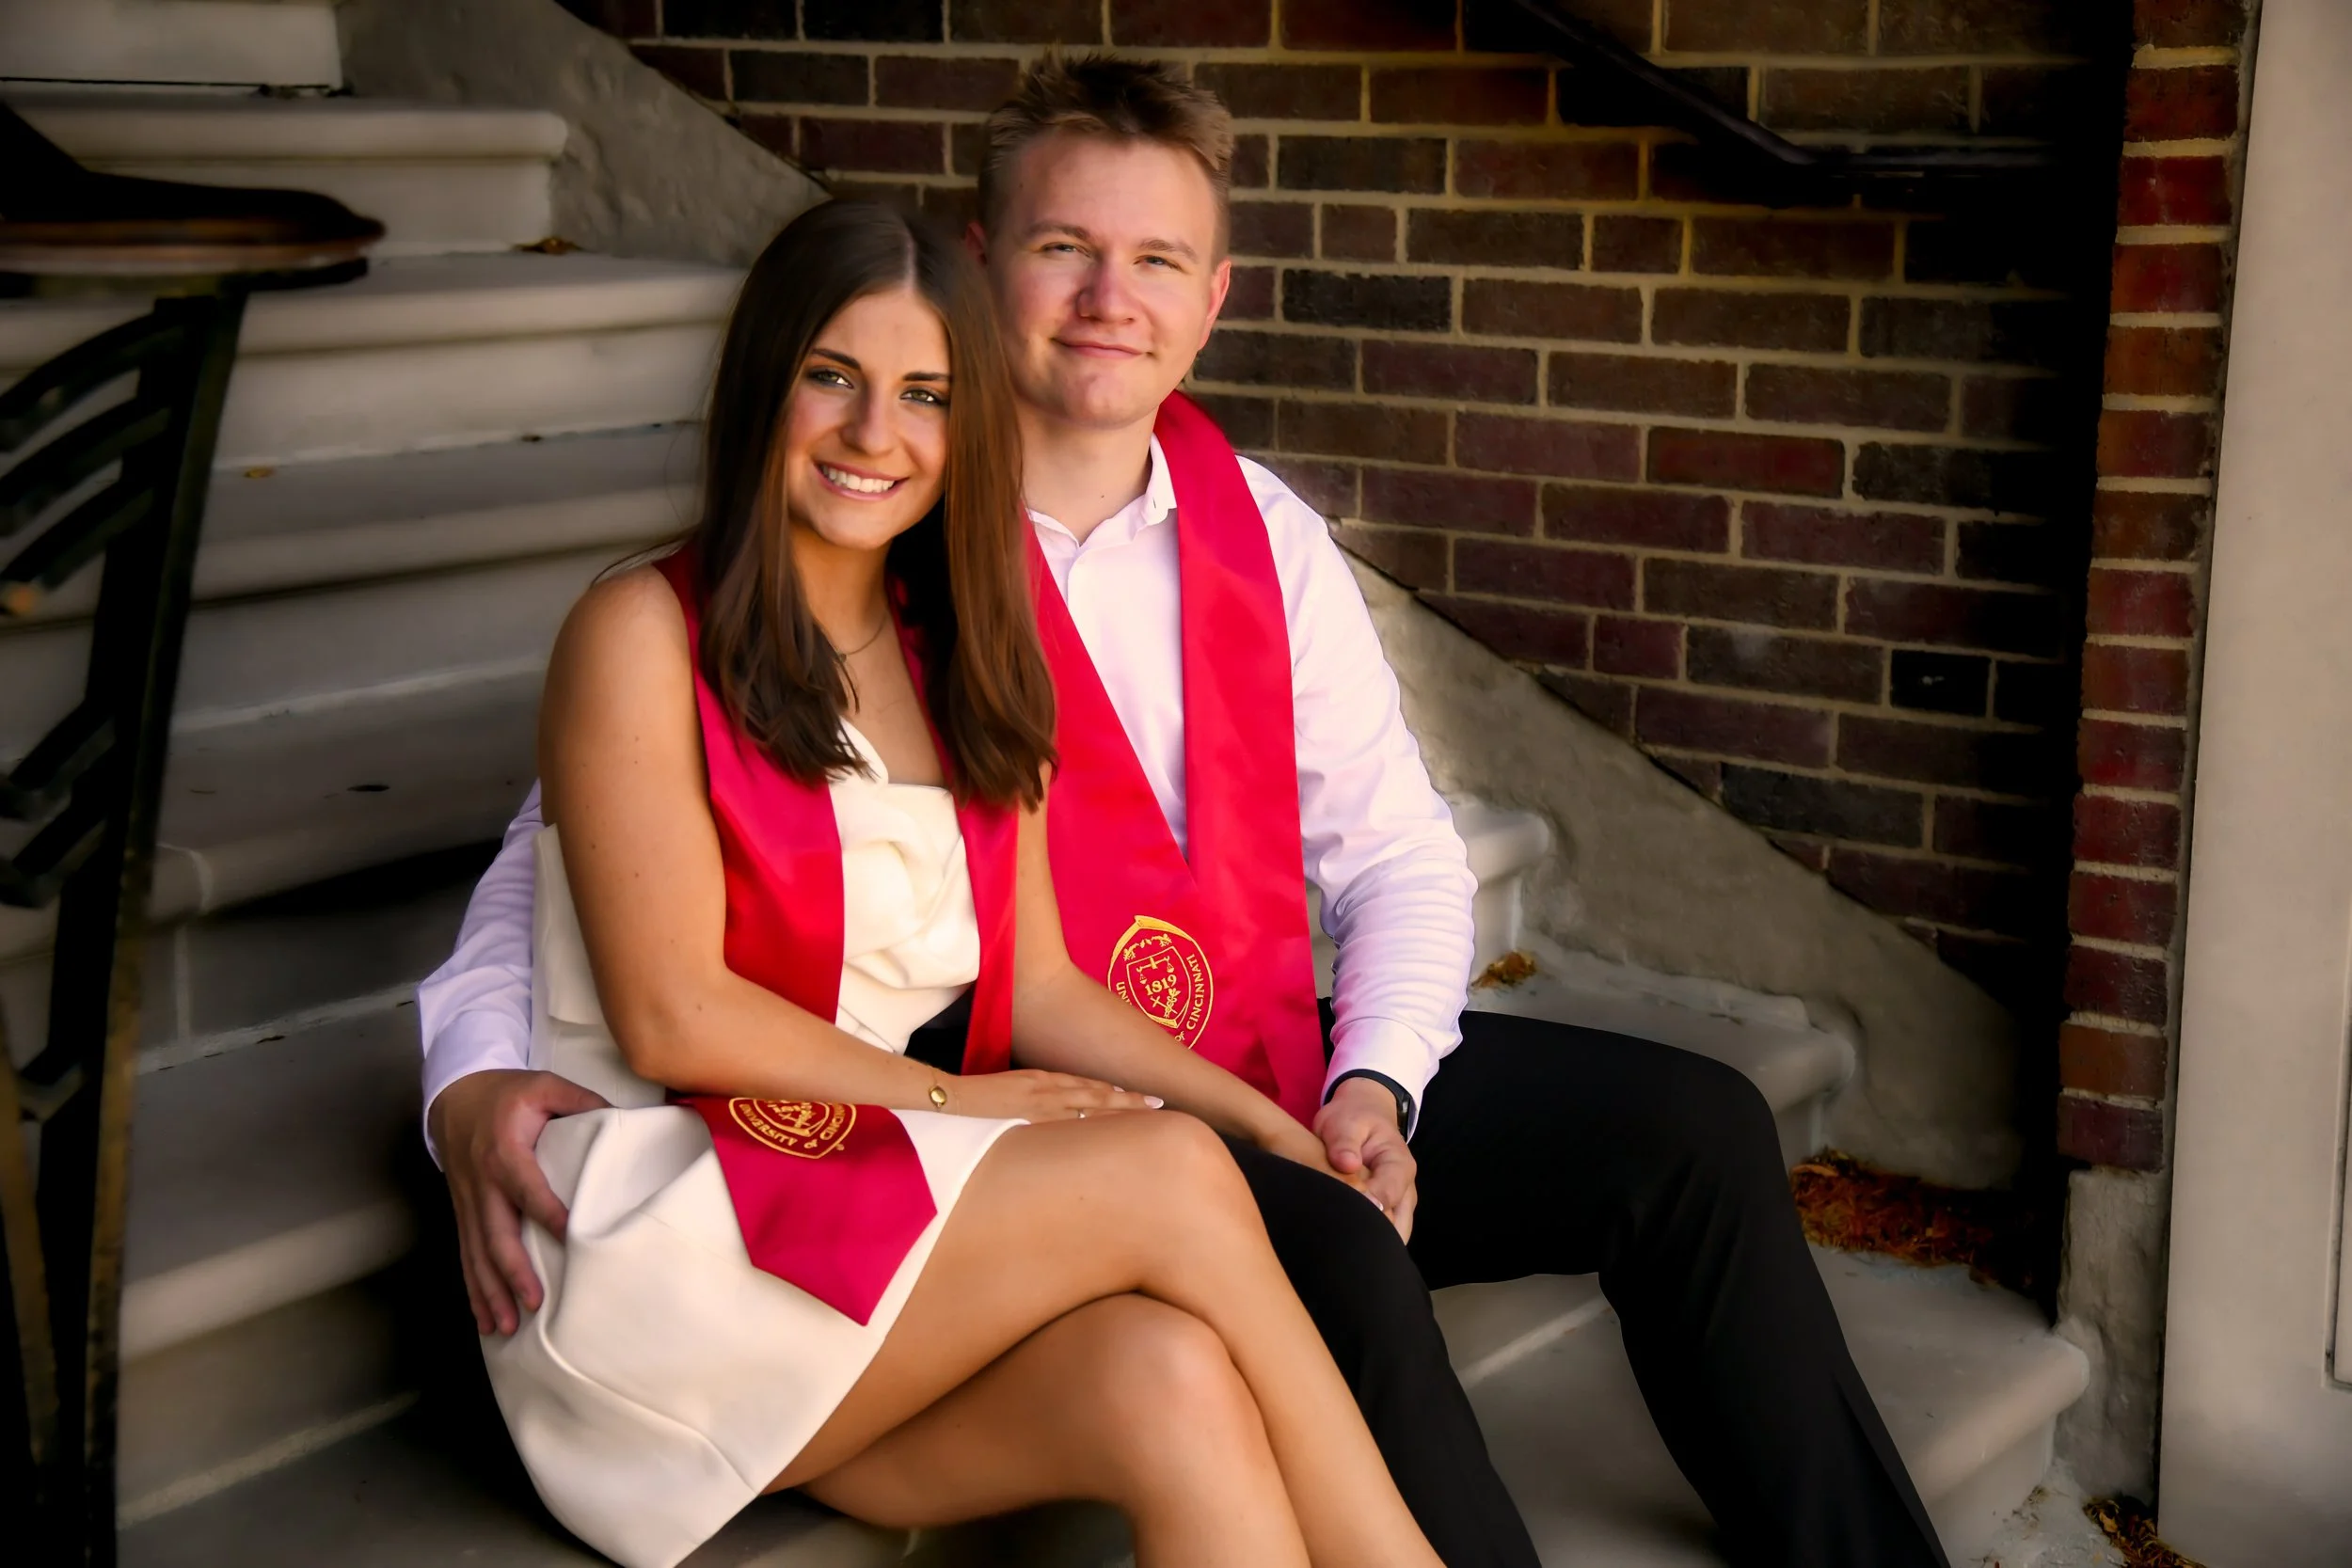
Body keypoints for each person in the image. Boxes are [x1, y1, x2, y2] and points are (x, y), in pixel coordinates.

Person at [424, 55, 1951, 1568]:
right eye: (1062, 249)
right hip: (987, 1093)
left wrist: (1372, 1092)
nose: (1108, 299)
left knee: (1692, 1129)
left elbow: (1404, 853)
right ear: (979, 268)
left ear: (1211, 297)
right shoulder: (874, 545)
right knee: (1311, 1255)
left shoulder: (1255, 533)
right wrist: (474, 1068)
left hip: (1233, 1047)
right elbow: (578, 858)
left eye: (1154, 258)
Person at [470, 195, 1450, 1568]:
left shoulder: (967, 652)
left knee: (1170, 1383)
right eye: (834, 376)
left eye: (926, 393)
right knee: (1163, 1171)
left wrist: (1270, 1124)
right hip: (669, 1221)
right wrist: (969, 1104)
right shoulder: (640, 632)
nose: (878, 433)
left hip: (854, 1203)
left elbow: (1037, 981)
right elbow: (673, 1016)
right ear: (765, 379)